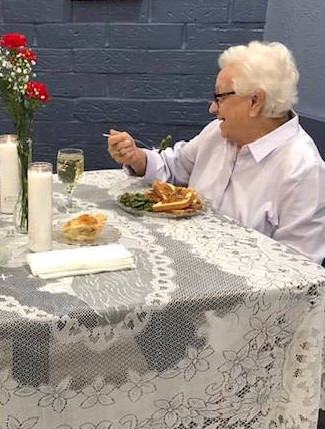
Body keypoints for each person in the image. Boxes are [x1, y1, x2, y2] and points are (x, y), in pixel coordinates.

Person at [107, 41, 325, 264]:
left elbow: (300, 270)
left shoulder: (303, 170)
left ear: (255, 101)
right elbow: (174, 168)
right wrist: (136, 158)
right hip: (180, 255)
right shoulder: (218, 133)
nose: (213, 108)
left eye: (220, 97)